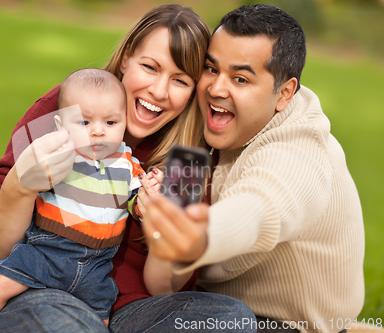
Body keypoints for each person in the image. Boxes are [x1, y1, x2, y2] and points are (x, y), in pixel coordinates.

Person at [0, 4, 256, 333]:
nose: (159, 91)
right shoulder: (66, 109)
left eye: (180, 80)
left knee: (230, 319)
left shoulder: (187, 161)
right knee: (69, 324)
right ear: (126, 58)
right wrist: (21, 186)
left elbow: (162, 289)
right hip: (26, 285)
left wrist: (161, 232)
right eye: (150, 67)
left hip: (119, 309)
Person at [141, 4, 364, 333]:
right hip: (199, 302)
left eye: (240, 78)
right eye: (211, 69)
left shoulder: (299, 152)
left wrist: (201, 236)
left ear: (284, 93)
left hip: (284, 325)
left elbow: (260, 205)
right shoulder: (203, 127)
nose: (217, 88)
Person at [0, 68, 147, 331]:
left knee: (101, 313)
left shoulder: (128, 164)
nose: (98, 132)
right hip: (48, 251)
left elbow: (136, 199)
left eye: (111, 123)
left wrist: (148, 199)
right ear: (61, 126)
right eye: (84, 123)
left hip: (96, 265)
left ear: (124, 121)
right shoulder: (61, 153)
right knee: (1, 283)